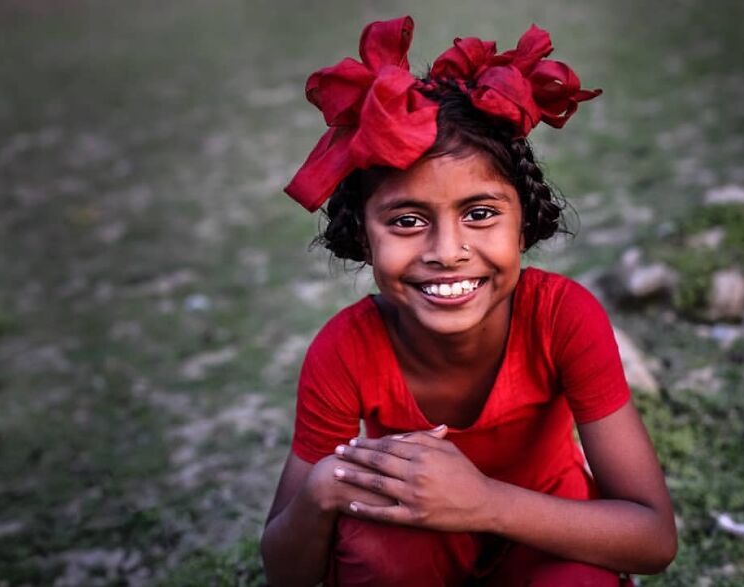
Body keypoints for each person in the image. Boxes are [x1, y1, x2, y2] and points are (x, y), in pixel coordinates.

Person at [260, 16, 677, 586]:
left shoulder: (562, 318)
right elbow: (286, 574)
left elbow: (652, 538)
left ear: (524, 223)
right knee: (377, 553)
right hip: (414, 550)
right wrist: (320, 492)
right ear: (363, 236)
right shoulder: (345, 351)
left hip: (546, 536)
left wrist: (482, 502)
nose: (448, 251)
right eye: (407, 221)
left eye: (480, 214)